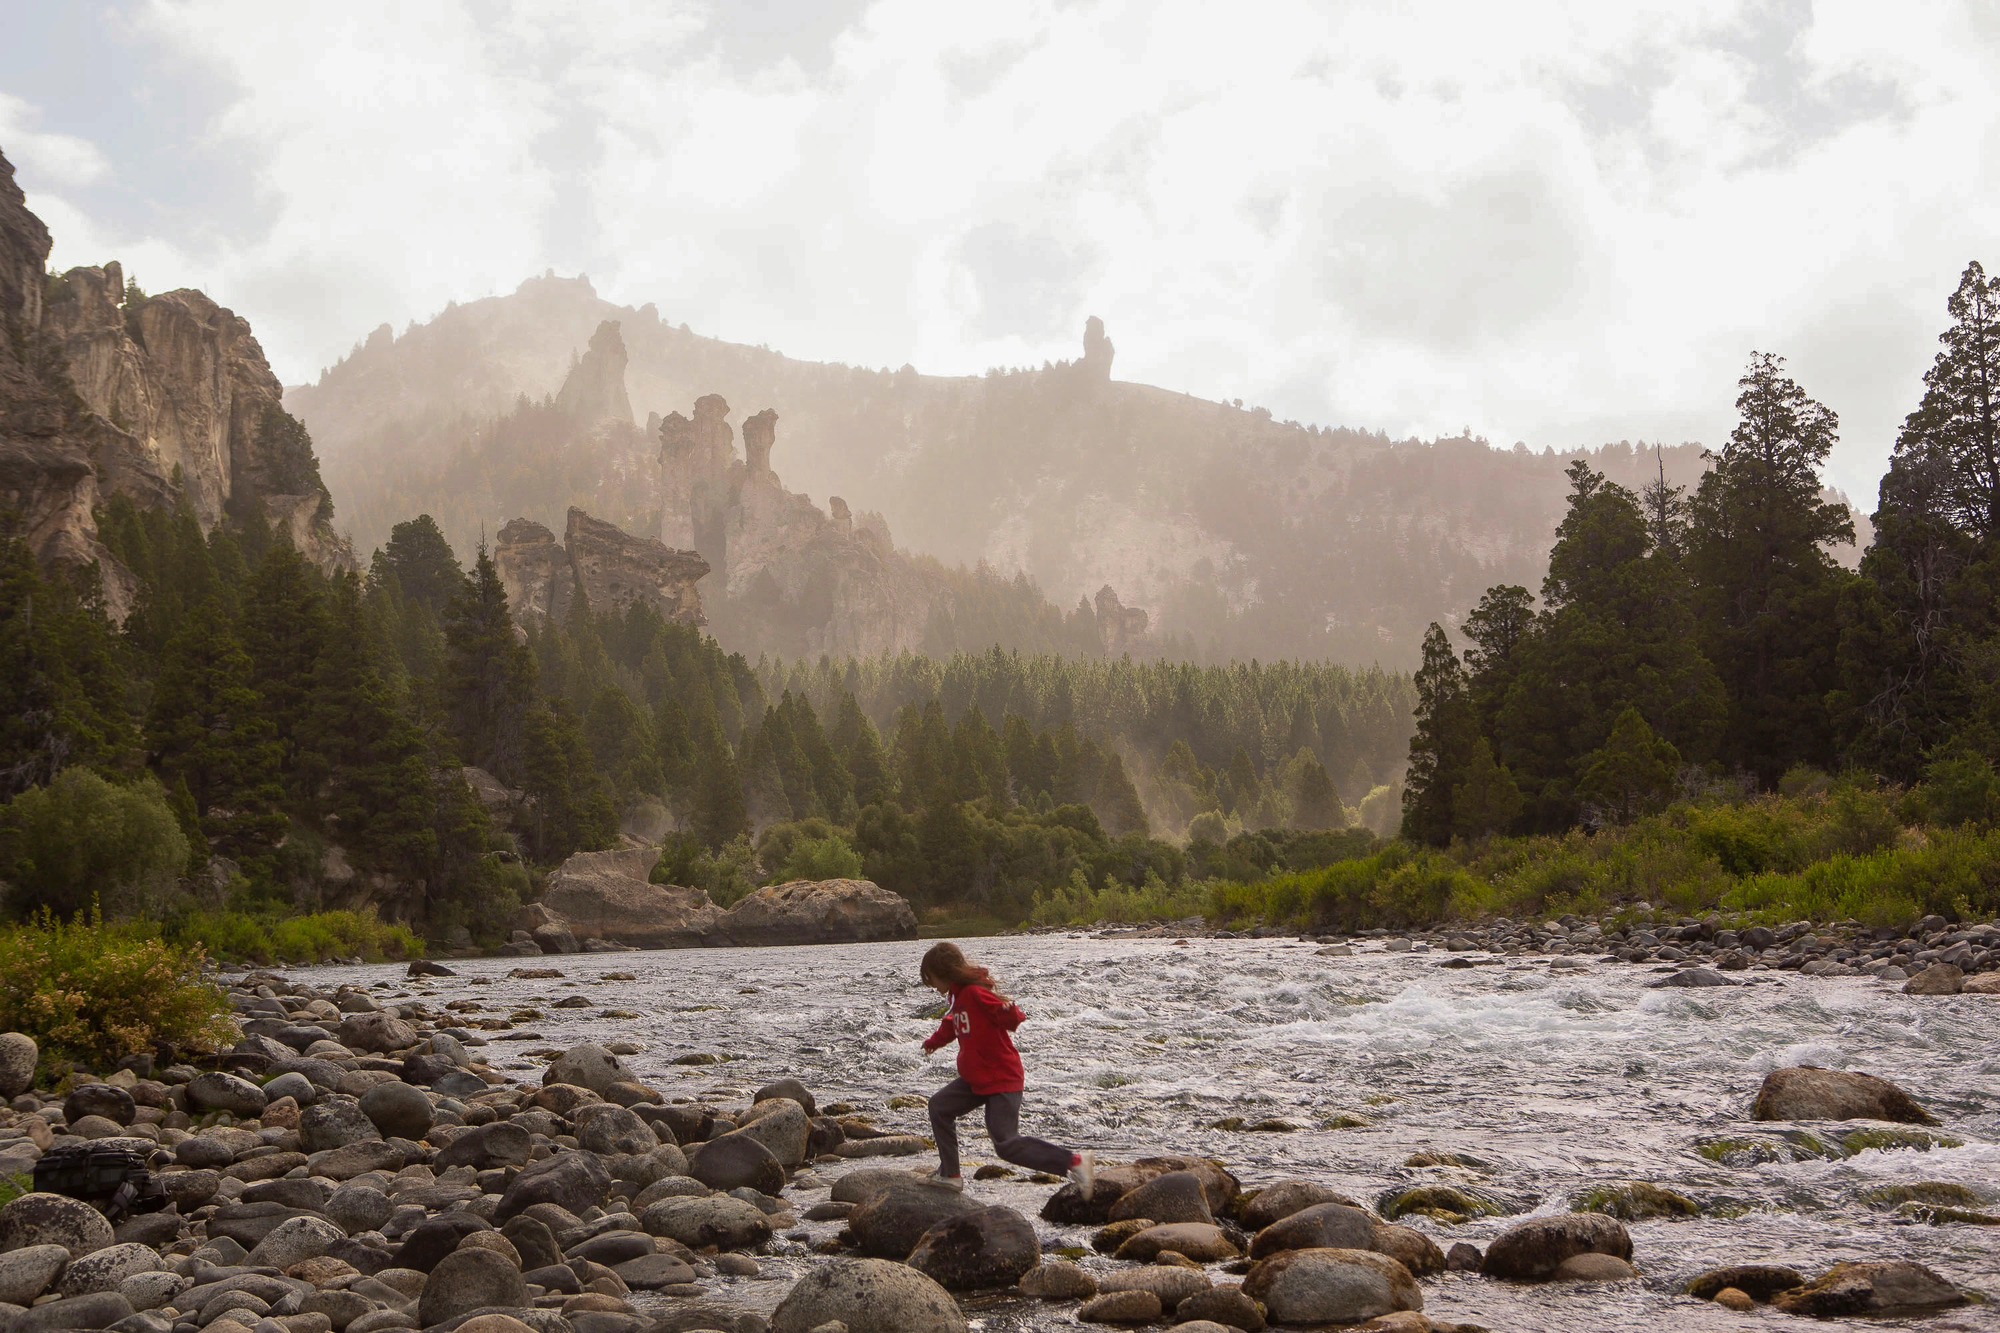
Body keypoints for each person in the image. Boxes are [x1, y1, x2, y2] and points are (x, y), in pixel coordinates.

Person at [918, 941, 1094, 1195]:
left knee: (1006, 1143)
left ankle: (1074, 1161)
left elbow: (1006, 1016)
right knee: (939, 1107)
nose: (932, 985)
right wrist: (933, 1042)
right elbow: (952, 1024)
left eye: (931, 978)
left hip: (1001, 1078)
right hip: (977, 1078)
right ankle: (951, 1174)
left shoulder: (975, 993)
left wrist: (1011, 1014)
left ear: (943, 971)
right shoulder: (959, 997)